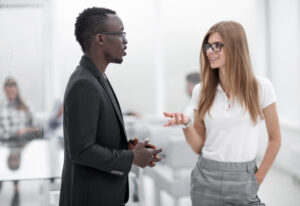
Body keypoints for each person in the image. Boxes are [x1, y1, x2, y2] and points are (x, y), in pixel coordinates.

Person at [163, 21, 281, 205]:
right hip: (205, 179)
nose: (210, 51)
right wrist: (186, 125)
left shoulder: (261, 87)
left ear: (235, 47)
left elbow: (275, 139)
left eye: (217, 46)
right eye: (208, 46)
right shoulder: (200, 91)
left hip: (244, 178)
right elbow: (198, 148)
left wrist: (258, 179)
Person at [59, 7, 162, 206]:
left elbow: (93, 139)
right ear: (100, 39)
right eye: (120, 33)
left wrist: (126, 148)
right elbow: (82, 150)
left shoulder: (97, 78)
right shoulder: (84, 84)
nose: (125, 40)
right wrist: (131, 157)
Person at [0, 77, 42, 206]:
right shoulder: (3, 108)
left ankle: (17, 192)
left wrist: (24, 131)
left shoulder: (26, 106)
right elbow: (4, 132)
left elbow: (38, 127)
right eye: (8, 91)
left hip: (25, 147)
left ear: (17, 90)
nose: (11, 92)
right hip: (7, 147)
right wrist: (22, 131)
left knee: (22, 176)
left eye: (13, 89)